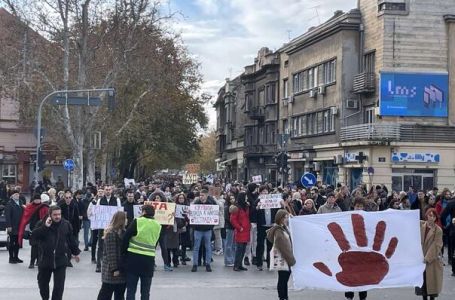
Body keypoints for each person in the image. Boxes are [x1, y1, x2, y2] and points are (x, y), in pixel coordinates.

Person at [31, 205, 81, 300]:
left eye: (59, 214)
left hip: (60, 260)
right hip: (45, 260)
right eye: (55, 215)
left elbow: (71, 239)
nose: (57, 216)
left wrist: (76, 252)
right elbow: (33, 238)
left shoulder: (66, 224)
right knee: (43, 284)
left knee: (59, 286)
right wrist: (45, 227)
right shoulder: (41, 223)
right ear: (50, 214)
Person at [122, 204, 161, 300]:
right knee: (145, 291)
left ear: (144, 212)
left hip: (133, 259)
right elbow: (155, 242)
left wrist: (123, 253)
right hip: (149, 260)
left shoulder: (138, 221)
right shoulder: (158, 225)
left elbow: (126, 237)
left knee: (131, 289)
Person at [266, 209, 296, 300]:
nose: (287, 219)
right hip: (284, 258)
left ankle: (283, 296)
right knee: (283, 279)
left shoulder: (282, 228)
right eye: (285, 217)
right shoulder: (279, 231)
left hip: (284, 257)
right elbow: (283, 247)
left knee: (283, 279)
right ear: (281, 218)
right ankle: (283, 297)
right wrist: (291, 260)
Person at [97, 211, 127, 300]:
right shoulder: (111, 233)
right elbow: (111, 253)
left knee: (120, 295)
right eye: (125, 218)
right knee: (105, 294)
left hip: (121, 269)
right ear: (121, 220)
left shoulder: (123, 232)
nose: (127, 220)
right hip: (111, 269)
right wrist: (115, 269)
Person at [17, 193, 49, 268]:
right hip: (33, 230)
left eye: (38, 199)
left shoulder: (44, 207)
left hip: (42, 229)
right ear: (33, 200)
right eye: (36, 199)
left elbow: (47, 217)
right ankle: (32, 262)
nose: (37, 200)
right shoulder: (29, 207)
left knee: (40, 246)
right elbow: (26, 218)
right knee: (34, 247)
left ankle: (38, 261)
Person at [345, 198, 368, 300]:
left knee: (363, 274)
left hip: (363, 251)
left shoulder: (368, 217)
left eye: (361, 206)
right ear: (354, 207)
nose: (359, 208)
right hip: (350, 251)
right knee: (349, 274)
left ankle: (362, 296)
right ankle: (349, 296)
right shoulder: (347, 217)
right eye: (357, 206)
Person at [418, 208, 443, 300]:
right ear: (426, 215)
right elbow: (410, 220)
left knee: (432, 285)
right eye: (429, 215)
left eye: (433, 216)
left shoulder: (438, 230)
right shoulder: (421, 225)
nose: (431, 217)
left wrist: (427, 258)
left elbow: (436, 245)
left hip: (432, 260)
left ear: (436, 217)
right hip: (421, 258)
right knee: (423, 285)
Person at [96, 186, 122, 272]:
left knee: (113, 245)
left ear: (112, 190)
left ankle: (112, 264)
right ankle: (98, 265)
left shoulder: (116, 200)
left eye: (109, 190)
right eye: (106, 190)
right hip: (102, 226)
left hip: (113, 227)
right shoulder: (100, 200)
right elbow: (97, 211)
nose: (107, 191)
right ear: (104, 191)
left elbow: (119, 212)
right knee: (100, 245)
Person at [191, 189, 217, 272]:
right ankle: (195, 264)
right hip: (198, 229)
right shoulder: (196, 203)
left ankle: (208, 264)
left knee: (208, 247)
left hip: (207, 229)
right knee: (196, 247)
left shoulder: (211, 203)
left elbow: (215, 215)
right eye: (200, 195)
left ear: (206, 195)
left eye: (202, 195)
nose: (201, 197)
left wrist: (211, 225)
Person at [230, 192, 251, 271]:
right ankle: (236, 265)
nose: (246, 198)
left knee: (243, 249)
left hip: (246, 230)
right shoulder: (236, 207)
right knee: (239, 249)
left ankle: (240, 264)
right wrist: (239, 227)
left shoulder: (245, 206)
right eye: (245, 197)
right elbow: (233, 220)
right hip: (240, 231)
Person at [5, 189, 24, 264]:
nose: (17, 195)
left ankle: (16, 257)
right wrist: (9, 226)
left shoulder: (20, 202)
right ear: (12, 196)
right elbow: (7, 216)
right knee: (12, 242)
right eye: (15, 194)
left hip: (19, 226)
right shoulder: (9, 204)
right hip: (12, 226)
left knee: (17, 243)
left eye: (18, 194)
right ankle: (11, 258)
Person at [224, 193, 236, 267]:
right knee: (229, 244)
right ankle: (228, 260)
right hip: (230, 227)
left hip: (234, 227)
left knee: (234, 245)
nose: (232, 200)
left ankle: (233, 259)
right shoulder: (227, 207)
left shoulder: (235, 207)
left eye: (233, 198)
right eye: (231, 199)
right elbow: (227, 218)